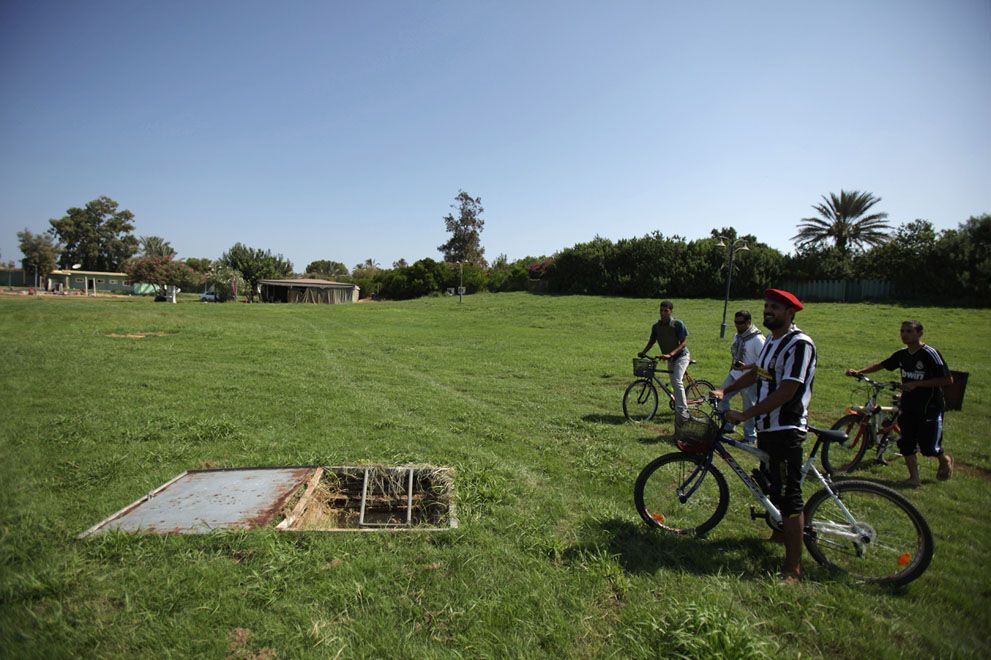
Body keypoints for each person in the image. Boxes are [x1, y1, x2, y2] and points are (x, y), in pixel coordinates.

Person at [712, 289, 816, 582]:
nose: (768, 311)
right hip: (768, 428)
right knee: (774, 485)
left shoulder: (799, 344)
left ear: (790, 313)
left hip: (787, 428)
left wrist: (746, 414)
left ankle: (793, 567)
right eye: (767, 306)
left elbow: (788, 390)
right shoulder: (771, 341)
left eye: (776, 308)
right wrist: (726, 390)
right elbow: (757, 374)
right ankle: (779, 536)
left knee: (790, 497)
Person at [847, 320, 953, 486]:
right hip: (908, 404)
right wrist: (859, 372)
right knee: (906, 442)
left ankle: (944, 460)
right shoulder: (902, 354)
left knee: (928, 447)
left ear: (919, 333)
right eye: (902, 331)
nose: (904, 334)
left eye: (909, 331)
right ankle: (914, 478)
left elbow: (948, 379)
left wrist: (917, 384)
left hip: (929, 406)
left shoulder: (930, 353)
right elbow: (883, 364)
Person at [638, 300, 691, 421]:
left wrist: (670, 354)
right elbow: (652, 340)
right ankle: (677, 402)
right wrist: (644, 352)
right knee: (673, 383)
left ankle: (684, 413)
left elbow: (683, 343)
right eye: (661, 311)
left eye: (666, 311)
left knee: (677, 381)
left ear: (671, 311)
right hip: (670, 358)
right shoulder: (656, 327)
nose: (663, 313)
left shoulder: (677, 324)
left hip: (682, 356)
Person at [718, 310, 765, 443]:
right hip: (735, 374)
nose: (737, 325)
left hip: (750, 377)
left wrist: (745, 367)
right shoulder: (738, 336)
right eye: (735, 322)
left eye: (741, 323)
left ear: (749, 322)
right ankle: (730, 424)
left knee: (748, 406)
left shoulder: (758, 340)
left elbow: (764, 362)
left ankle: (750, 436)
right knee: (721, 398)